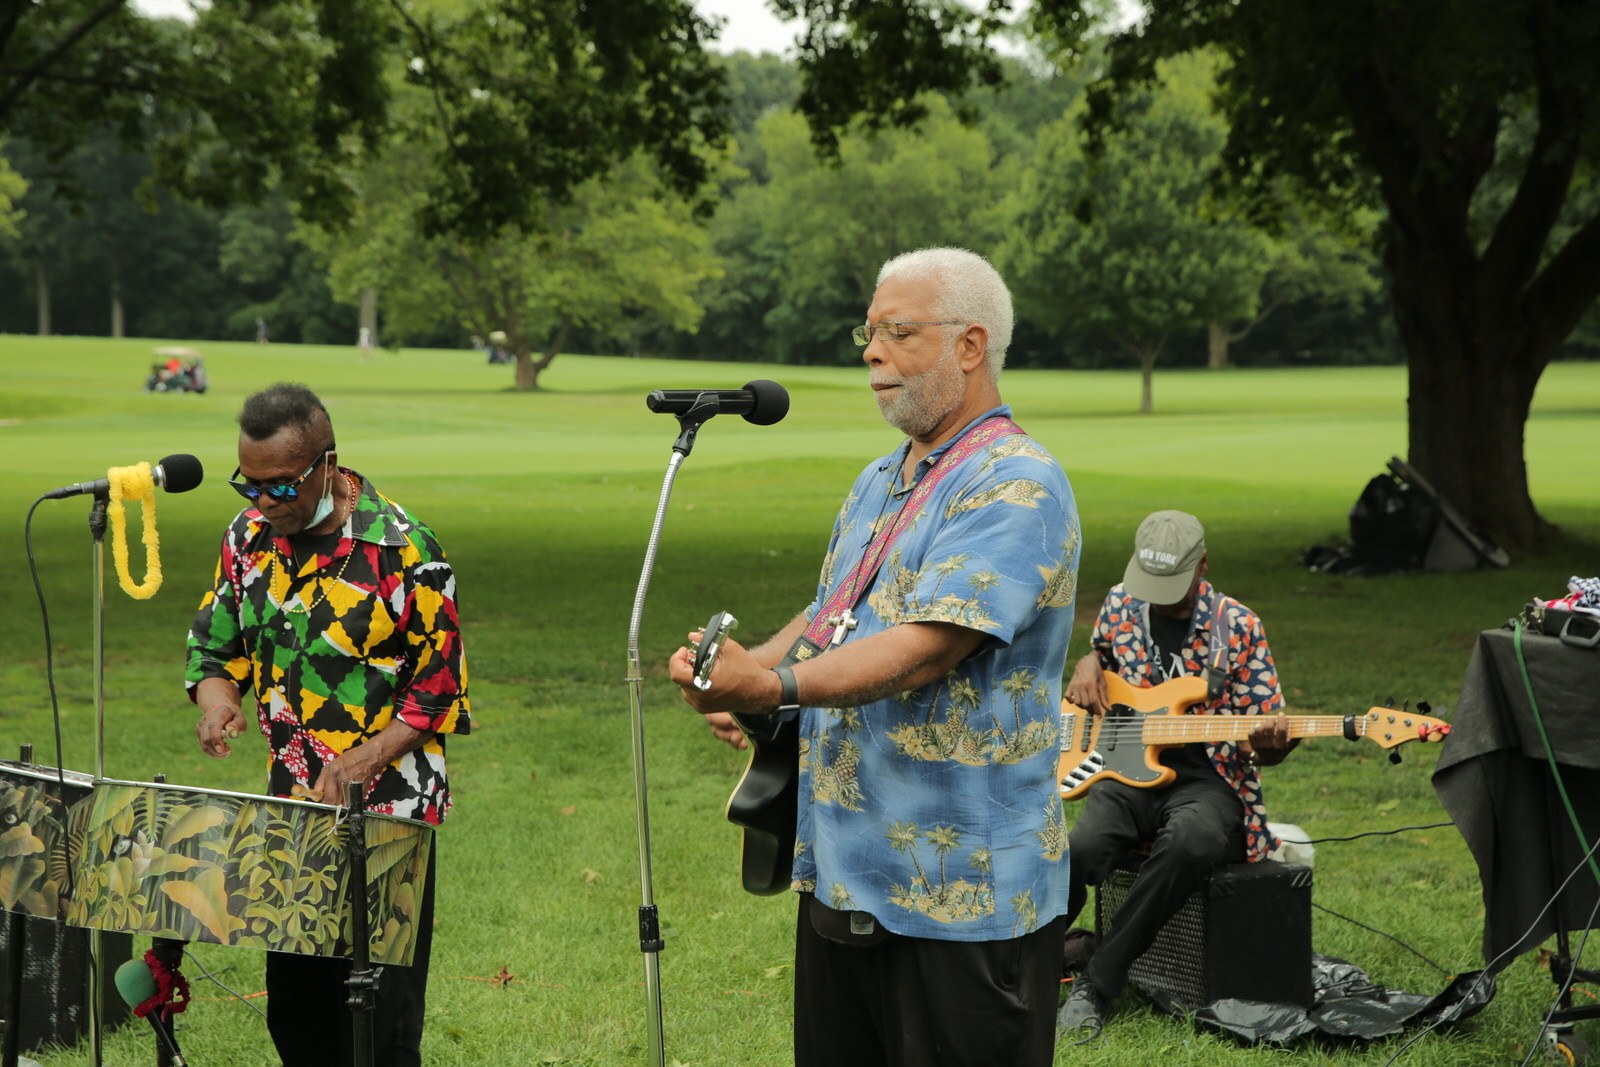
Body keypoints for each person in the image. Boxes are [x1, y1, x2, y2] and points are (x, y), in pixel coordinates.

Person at [668, 247, 1080, 1066]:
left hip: (963, 897)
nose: (870, 352)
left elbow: (927, 646)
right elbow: (837, 613)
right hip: (847, 871)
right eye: (868, 332)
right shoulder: (880, 479)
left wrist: (775, 685)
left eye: (898, 332)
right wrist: (747, 672)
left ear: (970, 345)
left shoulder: (1017, 482)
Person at [185, 382, 471, 1066]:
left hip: (390, 812)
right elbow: (214, 650)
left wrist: (362, 760)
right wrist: (217, 701)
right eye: (250, 484)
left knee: (380, 1020)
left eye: (281, 486)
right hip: (293, 810)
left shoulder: (403, 548)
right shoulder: (247, 538)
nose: (264, 501)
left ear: (327, 465)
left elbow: (438, 690)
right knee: (298, 1011)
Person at [1057, 509, 1295, 1041]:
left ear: (1203, 564)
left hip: (1210, 779)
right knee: (1083, 847)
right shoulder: (1121, 602)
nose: (1160, 599)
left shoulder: (1239, 626)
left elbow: (1262, 737)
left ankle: (1097, 982)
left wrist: (1271, 749)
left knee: (1191, 841)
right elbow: (1103, 655)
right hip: (1126, 769)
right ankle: (1025, 957)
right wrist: (1087, 662)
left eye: (1172, 586)